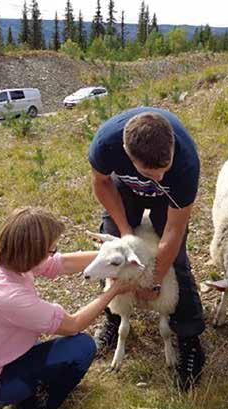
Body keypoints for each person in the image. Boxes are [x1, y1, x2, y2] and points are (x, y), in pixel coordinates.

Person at [0, 207, 133, 409]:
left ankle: (5, 398)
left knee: (66, 349)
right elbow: (74, 324)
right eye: (50, 249)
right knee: (81, 347)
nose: (53, 253)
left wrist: (112, 258)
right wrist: (113, 290)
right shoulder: (9, 297)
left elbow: (61, 264)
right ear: (31, 252)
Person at [88, 107, 205, 391]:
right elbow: (101, 183)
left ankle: (189, 336)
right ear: (127, 154)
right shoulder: (106, 144)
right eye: (153, 173)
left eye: (165, 169)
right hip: (124, 191)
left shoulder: (185, 163)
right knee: (112, 252)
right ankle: (114, 319)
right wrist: (127, 235)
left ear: (173, 148)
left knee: (175, 262)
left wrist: (153, 280)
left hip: (169, 201)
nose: (161, 178)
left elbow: (173, 230)